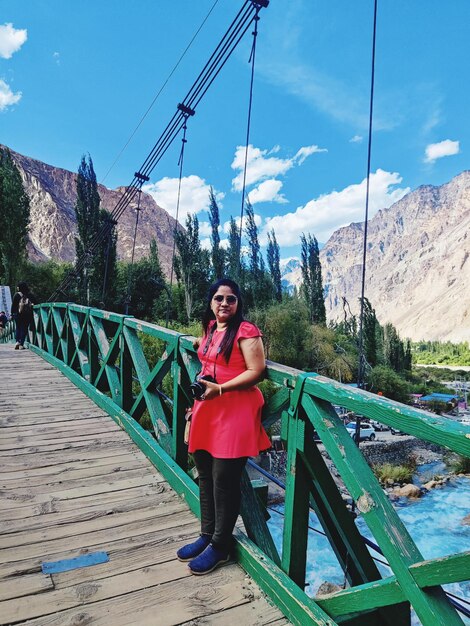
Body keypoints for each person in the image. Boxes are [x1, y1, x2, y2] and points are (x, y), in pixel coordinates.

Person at [176, 278, 271, 575]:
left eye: (231, 299)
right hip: (208, 407)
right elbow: (209, 355)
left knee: (224, 478)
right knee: (204, 471)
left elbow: (258, 372)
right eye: (219, 298)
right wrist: (198, 343)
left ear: (238, 303)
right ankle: (206, 535)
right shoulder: (209, 329)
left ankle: (221, 544)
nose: (224, 304)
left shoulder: (246, 331)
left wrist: (221, 389)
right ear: (211, 302)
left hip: (235, 408)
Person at [11, 281, 36, 350]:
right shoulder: (30, 295)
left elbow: (13, 305)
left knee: (18, 328)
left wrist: (12, 314)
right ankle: (21, 344)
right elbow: (36, 303)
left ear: (20, 287)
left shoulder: (16, 295)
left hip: (17, 314)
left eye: (18, 286)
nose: (17, 287)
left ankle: (17, 342)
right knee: (24, 329)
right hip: (26, 315)